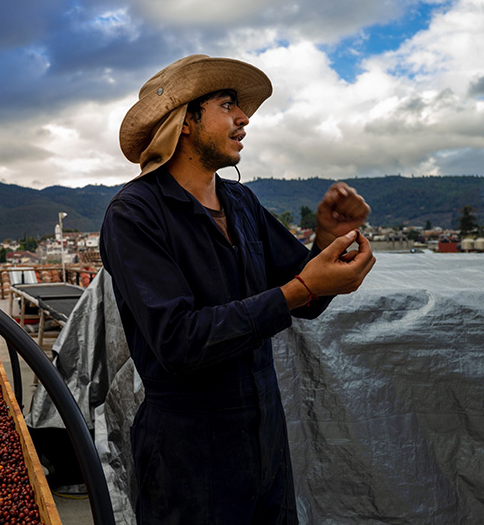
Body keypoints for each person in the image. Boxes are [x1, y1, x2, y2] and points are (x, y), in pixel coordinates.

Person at [99, 54, 376, 524]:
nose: (244, 117)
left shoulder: (240, 201)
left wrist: (330, 240)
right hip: (188, 458)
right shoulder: (134, 213)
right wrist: (302, 287)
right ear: (185, 121)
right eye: (228, 104)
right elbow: (179, 341)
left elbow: (304, 297)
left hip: (265, 443)